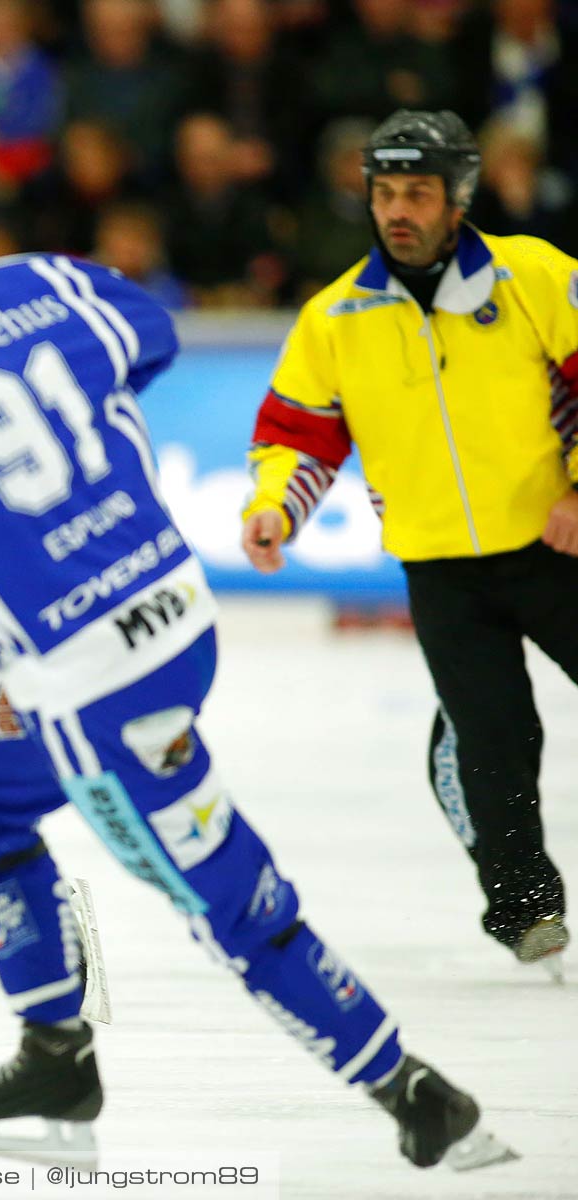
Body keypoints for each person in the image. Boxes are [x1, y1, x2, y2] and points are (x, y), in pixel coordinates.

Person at [0, 151, 517, 1171]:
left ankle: (415, 1092)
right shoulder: (38, 280)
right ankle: (56, 1055)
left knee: (218, 894)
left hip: (86, 684)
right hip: (175, 613)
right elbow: (154, 333)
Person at [241, 109, 577, 978]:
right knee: (493, 742)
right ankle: (526, 908)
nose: (398, 210)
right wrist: (277, 507)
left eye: (417, 193)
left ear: (458, 196)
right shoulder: (336, 316)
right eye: (384, 192)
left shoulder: (534, 275)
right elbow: (298, 432)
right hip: (437, 568)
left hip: (555, 547)